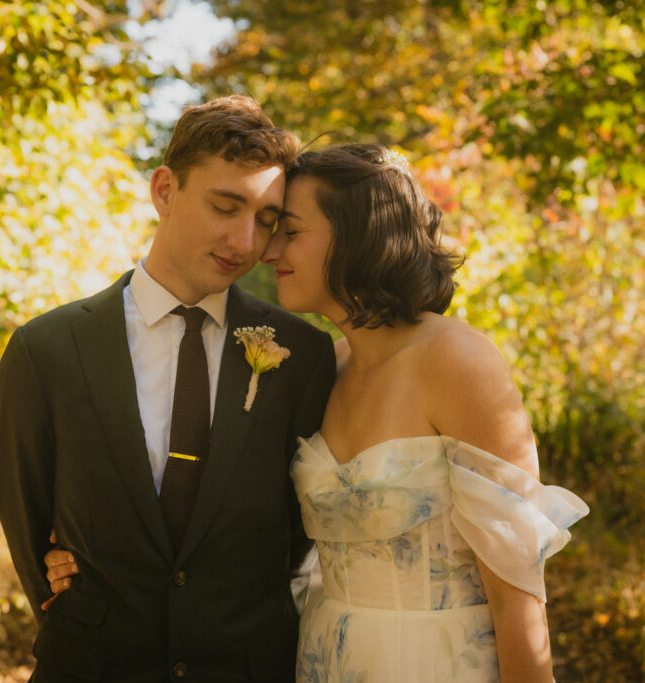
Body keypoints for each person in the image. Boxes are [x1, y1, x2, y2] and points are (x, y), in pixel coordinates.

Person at [46, 143, 589, 682]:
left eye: (290, 231)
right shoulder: (326, 366)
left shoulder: (458, 360)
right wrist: (82, 552)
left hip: (433, 661)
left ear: (358, 236)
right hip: (323, 657)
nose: (268, 250)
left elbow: (518, 585)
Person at [0, 95, 336, 682]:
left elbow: (304, 533)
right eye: (226, 207)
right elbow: (23, 512)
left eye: (267, 220)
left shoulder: (302, 353)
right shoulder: (46, 349)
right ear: (165, 191)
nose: (245, 242)